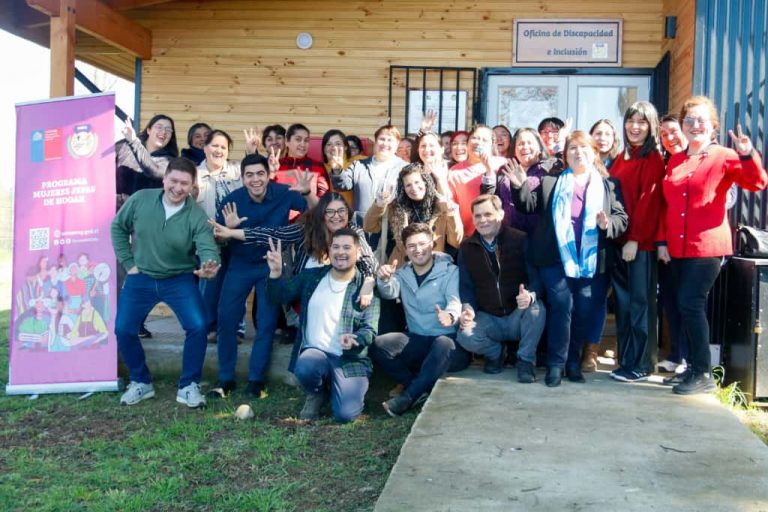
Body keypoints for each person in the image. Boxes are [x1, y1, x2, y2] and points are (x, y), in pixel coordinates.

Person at [657, 96, 768, 394]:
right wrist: (663, 242)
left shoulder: (724, 155)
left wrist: (747, 154)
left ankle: (703, 373)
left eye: (701, 120)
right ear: (682, 125)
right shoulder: (678, 159)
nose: (695, 125)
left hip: (707, 247)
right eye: (689, 120)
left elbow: (756, 182)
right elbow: (669, 205)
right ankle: (690, 367)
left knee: (691, 305)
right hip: (678, 248)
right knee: (682, 308)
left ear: (713, 126)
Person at [509, 131, 628, 387]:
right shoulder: (552, 182)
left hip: (592, 261)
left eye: (583, 147)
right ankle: (556, 364)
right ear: (566, 154)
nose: (578, 152)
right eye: (572, 148)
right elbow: (528, 206)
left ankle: (573, 362)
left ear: (594, 153)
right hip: (555, 258)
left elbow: (622, 219)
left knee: (583, 309)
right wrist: (520, 186)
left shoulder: (609, 185)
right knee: (562, 306)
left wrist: (608, 224)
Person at [111, 157, 221, 408]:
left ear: (193, 186)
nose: (178, 188)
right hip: (142, 278)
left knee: (198, 326)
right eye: (174, 181)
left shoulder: (196, 214)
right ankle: (141, 382)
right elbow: (118, 227)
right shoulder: (141, 199)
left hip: (179, 279)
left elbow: (207, 248)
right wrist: (129, 263)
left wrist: (210, 265)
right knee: (124, 329)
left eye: (185, 183)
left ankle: (188, 385)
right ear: (164, 179)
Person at [212, 154, 317, 398]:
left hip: (271, 266)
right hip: (239, 265)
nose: (255, 179)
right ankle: (225, 378)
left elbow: (317, 214)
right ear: (242, 177)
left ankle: (256, 381)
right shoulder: (231, 201)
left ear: (268, 174)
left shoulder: (284, 192)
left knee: (267, 323)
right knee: (227, 320)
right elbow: (219, 237)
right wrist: (227, 232)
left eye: (260, 173)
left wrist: (307, 193)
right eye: (249, 175)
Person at [266, 229, 380, 423]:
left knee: (345, 415)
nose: (340, 252)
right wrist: (275, 274)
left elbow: (370, 330)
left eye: (347, 247)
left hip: (348, 360)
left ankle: (341, 390)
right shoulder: (312, 277)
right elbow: (278, 297)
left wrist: (356, 339)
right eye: (335, 247)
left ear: (358, 252)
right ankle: (316, 392)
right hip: (316, 354)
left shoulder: (365, 288)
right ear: (329, 250)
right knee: (306, 364)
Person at [455, 195, 546, 382]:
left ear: (501, 214)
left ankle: (525, 361)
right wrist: (468, 309)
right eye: (478, 216)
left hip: (516, 314)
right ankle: (496, 354)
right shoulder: (466, 248)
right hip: (488, 317)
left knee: (537, 309)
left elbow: (537, 279)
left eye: (488, 214)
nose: (483, 220)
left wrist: (529, 296)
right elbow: (466, 287)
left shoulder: (519, 239)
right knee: (465, 336)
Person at [373, 223, 460, 416]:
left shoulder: (450, 271)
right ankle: (419, 387)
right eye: (411, 246)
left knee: (443, 342)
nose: (418, 249)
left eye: (422, 244)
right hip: (418, 341)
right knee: (379, 344)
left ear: (432, 244)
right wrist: (384, 279)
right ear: (405, 248)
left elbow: (455, 302)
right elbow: (389, 292)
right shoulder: (403, 274)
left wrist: (451, 315)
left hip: (448, 344)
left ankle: (408, 397)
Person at [608, 101, 666, 383]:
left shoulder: (652, 158)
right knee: (624, 305)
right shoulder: (622, 158)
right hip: (618, 243)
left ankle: (642, 363)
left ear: (651, 126)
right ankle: (627, 360)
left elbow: (648, 203)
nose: (635, 126)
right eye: (631, 120)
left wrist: (635, 240)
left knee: (641, 304)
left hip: (638, 245)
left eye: (642, 122)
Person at [115, 114, 179, 339]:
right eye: (159, 127)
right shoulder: (123, 147)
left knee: (140, 276)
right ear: (149, 129)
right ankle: (113, 322)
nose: (163, 132)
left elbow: (152, 169)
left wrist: (134, 141)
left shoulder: (169, 160)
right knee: (116, 275)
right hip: (117, 220)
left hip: (145, 225)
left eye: (168, 130)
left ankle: (135, 323)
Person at [194, 129, 244, 339]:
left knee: (235, 284)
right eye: (214, 145)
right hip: (207, 240)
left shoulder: (236, 171)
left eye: (223, 147)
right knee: (210, 283)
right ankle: (209, 326)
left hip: (233, 237)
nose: (219, 150)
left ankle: (236, 326)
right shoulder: (195, 174)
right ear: (205, 148)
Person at [364, 163, 463, 266]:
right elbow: (369, 227)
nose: (414, 188)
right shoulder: (396, 207)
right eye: (408, 185)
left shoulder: (442, 207)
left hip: (434, 268)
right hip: (402, 267)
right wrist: (379, 205)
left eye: (417, 182)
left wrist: (452, 214)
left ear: (425, 182)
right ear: (403, 188)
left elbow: (456, 241)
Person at [485, 127, 563, 236]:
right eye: (520, 144)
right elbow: (492, 199)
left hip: (538, 238)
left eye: (529, 143)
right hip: (508, 237)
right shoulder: (506, 169)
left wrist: (560, 144)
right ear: (515, 150)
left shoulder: (549, 168)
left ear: (540, 148)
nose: (525, 147)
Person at [656, 114, 688, 373]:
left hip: (696, 247)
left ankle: (690, 359)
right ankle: (677, 355)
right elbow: (663, 208)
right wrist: (662, 242)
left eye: (673, 131)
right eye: (664, 134)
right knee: (671, 302)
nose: (669, 138)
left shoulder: (701, 158)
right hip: (669, 247)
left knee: (690, 303)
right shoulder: (666, 164)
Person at [329, 124, 408, 223]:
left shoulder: (405, 168)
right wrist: (337, 170)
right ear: (375, 142)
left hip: (391, 226)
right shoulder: (359, 165)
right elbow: (342, 185)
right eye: (382, 139)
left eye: (390, 140)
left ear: (397, 145)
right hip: (361, 225)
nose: (385, 143)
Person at [448, 124, 507, 237]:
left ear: (492, 145)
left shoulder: (503, 164)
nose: (478, 142)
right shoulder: (454, 172)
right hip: (469, 236)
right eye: (474, 138)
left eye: (484, 140)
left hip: (500, 233)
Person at [275, 123, 329, 220]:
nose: (303, 144)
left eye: (306, 140)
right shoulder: (276, 165)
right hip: (279, 224)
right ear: (287, 141)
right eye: (298, 139)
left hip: (308, 223)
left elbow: (324, 200)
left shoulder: (317, 167)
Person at [321, 129, 354, 206]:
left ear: (345, 147)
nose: (334, 147)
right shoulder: (319, 168)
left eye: (338, 144)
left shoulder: (355, 165)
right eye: (329, 144)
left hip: (350, 215)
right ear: (324, 149)